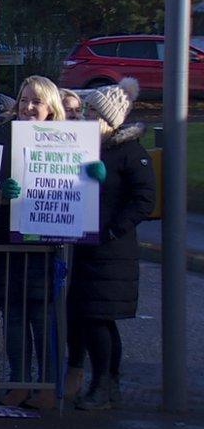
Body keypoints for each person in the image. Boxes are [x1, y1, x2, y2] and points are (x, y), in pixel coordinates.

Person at [0, 75, 66, 409]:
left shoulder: (66, 139)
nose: (30, 107)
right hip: (7, 241)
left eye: (37, 101)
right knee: (13, 318)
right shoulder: (0, 136)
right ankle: (19, 381)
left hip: (46, 245)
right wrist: (1, 191)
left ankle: (46, 384)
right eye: (25, 99)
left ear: (51, 106)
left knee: (43, 319)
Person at [70, 78, 155, 410]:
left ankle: (104, 385)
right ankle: (106, 384)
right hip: (90, 247)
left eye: (93, 110)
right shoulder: (94, 148)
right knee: (94, 319)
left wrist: (112, 231)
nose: (87, 114)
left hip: (109, 251)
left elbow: (143, 199)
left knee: (97, 320)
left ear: (108, 118)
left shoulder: (129, 153)